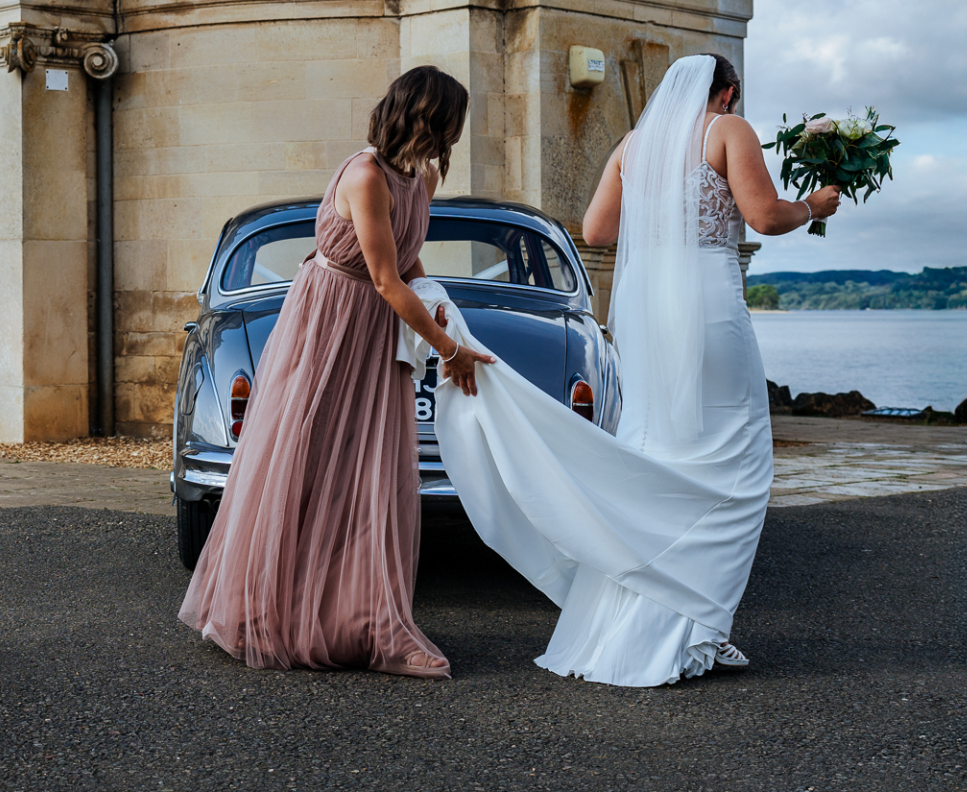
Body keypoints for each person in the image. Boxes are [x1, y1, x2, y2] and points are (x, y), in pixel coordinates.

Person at [430, 53, 839, 687]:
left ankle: (653, 626)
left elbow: (597, 229)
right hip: (706, 300)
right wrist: (813, 206)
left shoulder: (633, 144)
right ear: (728, 93)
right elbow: (764, 217)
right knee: (737, 461)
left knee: (658, 450)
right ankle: (694, 620)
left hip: (648, 306)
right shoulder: (729, 131)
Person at [177, 66, 494, 675]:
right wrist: (448, 355)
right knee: (306, 458)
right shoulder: (367, 174)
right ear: (427, 117)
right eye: (451, 120)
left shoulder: (418, 177)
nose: (456, 133)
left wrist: (447, 318)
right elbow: (381, 277)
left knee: (369, 468)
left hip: (374, 329)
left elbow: (407, 259)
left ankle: (368, 620)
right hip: (330, 322)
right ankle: (264, 610)